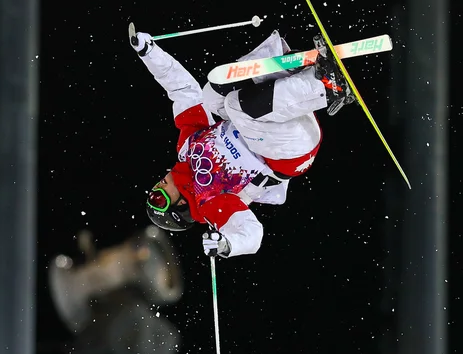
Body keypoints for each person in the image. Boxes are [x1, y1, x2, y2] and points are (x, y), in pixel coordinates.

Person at [129, 25, 355, 259]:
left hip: (277, 115)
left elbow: (184, 91)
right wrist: (228, 245)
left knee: (212, 93)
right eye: (159, 197)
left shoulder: (187, 149)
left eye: (153, 191)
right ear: (179, 209)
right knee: (235, 106)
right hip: (290, 150)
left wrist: (150, 53)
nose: (158, 187)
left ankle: (289, 65)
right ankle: (327, 87)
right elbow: (251, 233)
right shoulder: (210, 203)